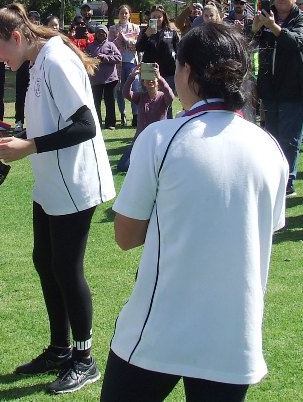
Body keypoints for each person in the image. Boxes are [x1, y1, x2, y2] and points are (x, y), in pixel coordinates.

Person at [100, 22, 288, 402]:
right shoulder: (270, 148)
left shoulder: (161, 137)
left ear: (186, 71)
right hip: (235, 336)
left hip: (158, 329)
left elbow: (126, 236)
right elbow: (263, 230)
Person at [0, 3, 115, 395]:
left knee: (66, 268)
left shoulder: (56, 59)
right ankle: (60, 349)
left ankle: (85, 359)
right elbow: (46, 119)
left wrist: (30, 146)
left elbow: (85, 125)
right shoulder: (36, 62)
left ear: (18, 38)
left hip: (75, 182)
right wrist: (14, 141)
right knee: (46, 262)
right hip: (50, 183)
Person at [252, 0, 303, 196]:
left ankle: (288, 178)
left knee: (289, 137)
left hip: (294, 87)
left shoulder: (299, 19)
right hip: (269, 88)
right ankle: (274, 174)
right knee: (271, 135)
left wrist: (273, 27)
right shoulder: (265, 15)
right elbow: (250, 43)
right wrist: (255, 29)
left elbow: (296, 43)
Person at [117, 63, 174, 172]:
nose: (150, 81)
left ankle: (148, 163)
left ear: (158, 82)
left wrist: (159, 77)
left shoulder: (163, 97)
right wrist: (132, 76)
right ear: (143, 82)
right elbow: (125, 93)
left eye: (153, 79)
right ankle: (146, 163)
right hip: (140, 140)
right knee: (122, 166)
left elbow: (170, 95)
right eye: (147, 79)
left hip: (158, 141)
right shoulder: (141, 97)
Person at [135, 4, 179, 118]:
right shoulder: (145, 31)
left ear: (164, 17)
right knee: (149, 99)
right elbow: (139, 48)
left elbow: (178, 50)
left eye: (159, 16)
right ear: (150, 17)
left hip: (167, 71)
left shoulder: (171, 31)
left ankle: (167, 125)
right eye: (154, 16)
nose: (157, 19)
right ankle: (148, 124)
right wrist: (146, 35)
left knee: (166, 101)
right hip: (149, 69)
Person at [108, 4, 141, 126]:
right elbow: (110, 46)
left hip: (132, 61)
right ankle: (122, 114)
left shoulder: (135, 28)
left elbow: (136, 45)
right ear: (118, 15)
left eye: (126, 13)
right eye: (121, 13)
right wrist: (119, 37)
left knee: (135, 88)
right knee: (120, 89)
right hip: (118, 63)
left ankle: (136, 115)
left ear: (129, 15)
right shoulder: (112, 29)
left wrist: (125, 39)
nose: (124, 15)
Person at [86, 24, 122, 129]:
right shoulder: (90, 46)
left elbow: (118, 57)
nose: (101, 34)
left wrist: (105, 58)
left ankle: (110, 123)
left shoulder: (111, 45)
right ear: (96, 34)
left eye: (103, 32)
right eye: (99, 32)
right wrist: (93, 61)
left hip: (110, 79)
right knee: (96, 102)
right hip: (95, 80)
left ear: (106, 34)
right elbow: (85, 60)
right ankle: (97, 123)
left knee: (110, 102)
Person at [13, 10, 41, 133]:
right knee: (20, 96)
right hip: (23, 69)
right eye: (30, 21)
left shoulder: (42, 36)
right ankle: (19, 121)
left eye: (35, 21)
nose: (32, 24)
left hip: (37, 69)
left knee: (36, 96)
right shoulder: (21, 35)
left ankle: (35, 122)